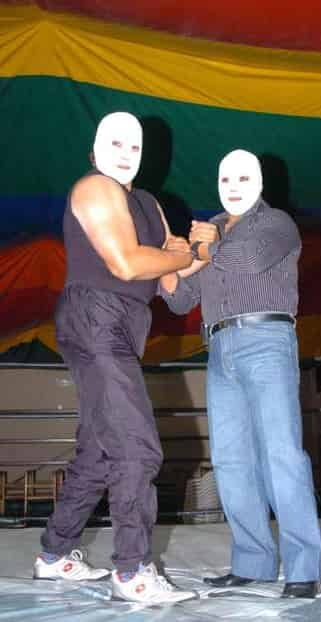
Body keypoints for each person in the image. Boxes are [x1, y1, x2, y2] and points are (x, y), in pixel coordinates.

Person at [33, 112, 196, 605]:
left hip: (128, 322)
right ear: (97, 148)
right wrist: (181, 255)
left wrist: (198, 253)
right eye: (116, 143)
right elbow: (127, 263)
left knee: (100, 451)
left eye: (135, 147)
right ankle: (133, 570)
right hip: (95, 315)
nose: (126, 153)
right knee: (136, 445)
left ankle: (54, 554)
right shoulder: (95, 188)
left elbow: (176, 292)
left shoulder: (149, 203)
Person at [160, 149, 321, 599]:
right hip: (219, 348)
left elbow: (249, 261)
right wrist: (167, 261)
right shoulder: (210, 232)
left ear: (259, 181)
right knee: (231, 459)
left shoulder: (276, 223)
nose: (233, 184)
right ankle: (253, 563)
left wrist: (202, 248)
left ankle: (302, 566)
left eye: (242, 176)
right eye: (225, 177)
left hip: (267, 339)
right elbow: (179, 300)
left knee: (282, 454)